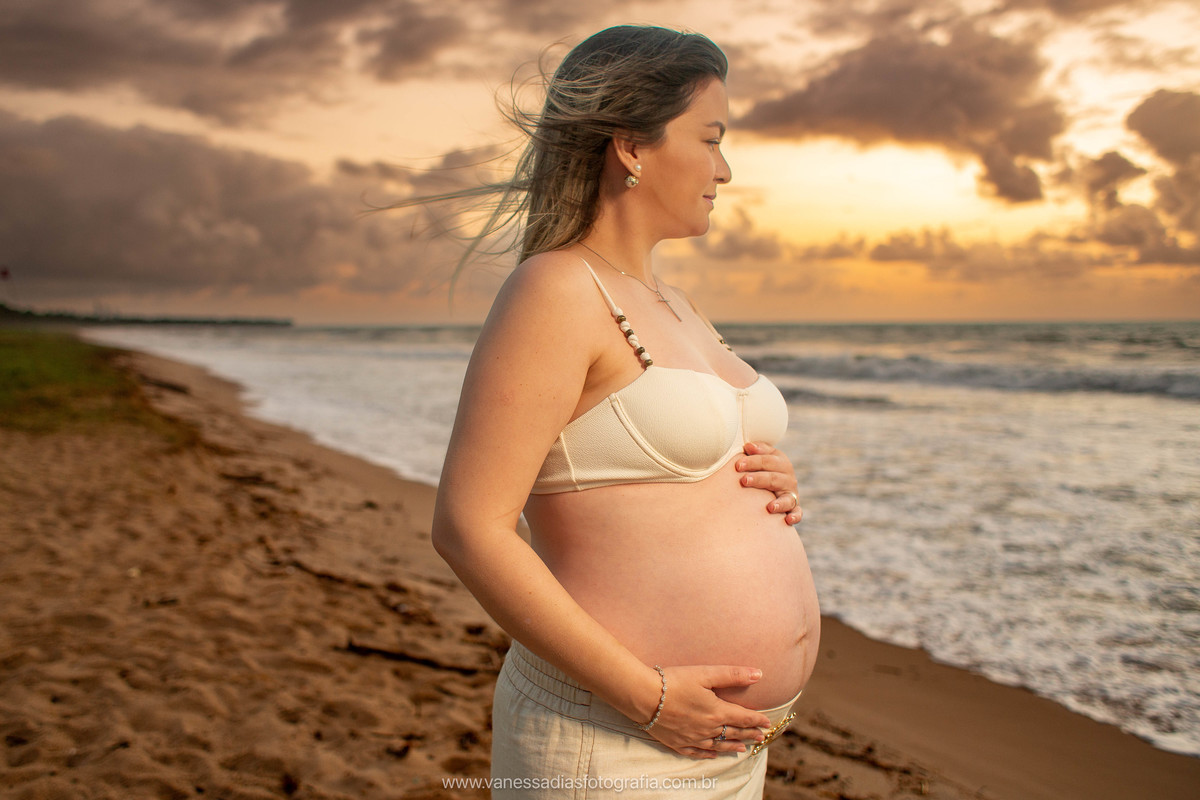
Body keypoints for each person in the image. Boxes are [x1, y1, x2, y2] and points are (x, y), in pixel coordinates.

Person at [429, 25, 821, 799]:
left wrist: (760, 477)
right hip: (615, 741)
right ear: (631, 147)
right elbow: (468, 527)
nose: (726, 169)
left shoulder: (674, 304)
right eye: (710, 140)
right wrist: (649, 698)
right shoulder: (556, 290)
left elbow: (652, 471)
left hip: (729, 749)